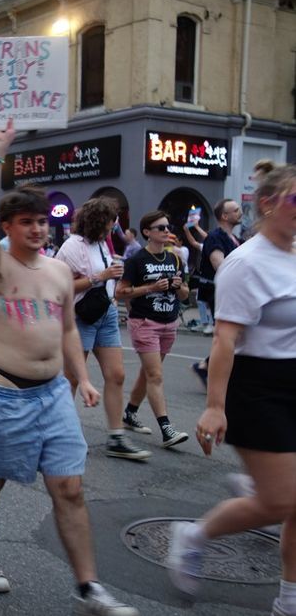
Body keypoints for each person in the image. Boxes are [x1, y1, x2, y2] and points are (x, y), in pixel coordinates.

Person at [0, 120, 138, 616]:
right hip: (3, 393)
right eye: (26, 222)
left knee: (69, 486)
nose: (38, 228)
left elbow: (66, 328)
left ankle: (89, 587)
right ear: (7, 227)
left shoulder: (61, 271)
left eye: (42, 221)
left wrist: (81, 377)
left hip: (52, 396)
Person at [167, 166, 296, 616]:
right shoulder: (246, 263)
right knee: (282, 501)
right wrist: (214, 408)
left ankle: (289, 601)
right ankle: (193, 535)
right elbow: (224, 341)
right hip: (259, 388)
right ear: (268, 204)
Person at [56, 197, 148, 460]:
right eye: (111, 219)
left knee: (116, 375)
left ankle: (116, 436)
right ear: (99, 220)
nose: (115, 224)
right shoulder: (72, 246)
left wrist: (112, 273)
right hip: (82, 314)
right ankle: (61, 433)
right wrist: (100, 277)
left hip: (105, 312)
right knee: (71, 378)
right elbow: (61, 287)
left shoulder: (102, 243)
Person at [114, 211, 190, 449]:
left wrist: (178, 288)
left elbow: (186, 293)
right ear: (147, 232)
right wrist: (150, 287)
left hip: (169, 322)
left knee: (148, 373)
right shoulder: (136, 260)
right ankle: (167, 429)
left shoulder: (175, 259)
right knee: (155, 375)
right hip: (145, 322)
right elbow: (120, 292)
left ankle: (130, 412)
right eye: (160, 228)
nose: (166, 231)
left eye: (168, 227)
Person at [192, 198, 243, 385]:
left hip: (233, 292)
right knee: (228, 335)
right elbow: (220, 265)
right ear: (225, 216)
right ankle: (209, 369)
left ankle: (207, 366)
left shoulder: (236, 239)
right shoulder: (215, 237)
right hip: (218, 291)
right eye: (236, 210)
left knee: (235, 335)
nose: (240, 212)